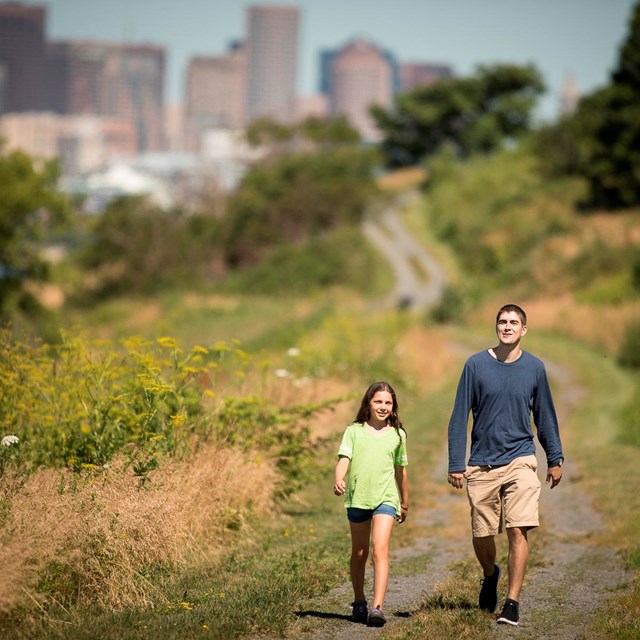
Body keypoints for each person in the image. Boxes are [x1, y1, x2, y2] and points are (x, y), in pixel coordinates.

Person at [447, 304, 564, 626]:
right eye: (502, 321)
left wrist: (554, 457)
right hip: (482, 462)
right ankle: (490, 572)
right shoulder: (475, 365)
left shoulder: (535, 368)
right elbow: (459, 416)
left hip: (521, 458)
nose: (507, 326)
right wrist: (457, 462)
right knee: (482, 532)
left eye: (514, 322)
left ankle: (512, 602)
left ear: (524, 329)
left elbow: (545, 417)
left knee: (518, 527)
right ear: (496, 327)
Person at [334, 381, 409, 627]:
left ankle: (377, 607)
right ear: (368, 403)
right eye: (378, 401)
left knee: (380, 549)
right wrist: (338, 478)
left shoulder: (398, 435)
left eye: (388, 402)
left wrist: (404, 501)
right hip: (358, 497)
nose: (383, 406)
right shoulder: (354, 430)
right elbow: (345, 458)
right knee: (359, 552)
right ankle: (359, 600)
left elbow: (401, 471)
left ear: (394, 407)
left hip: (386, 498)